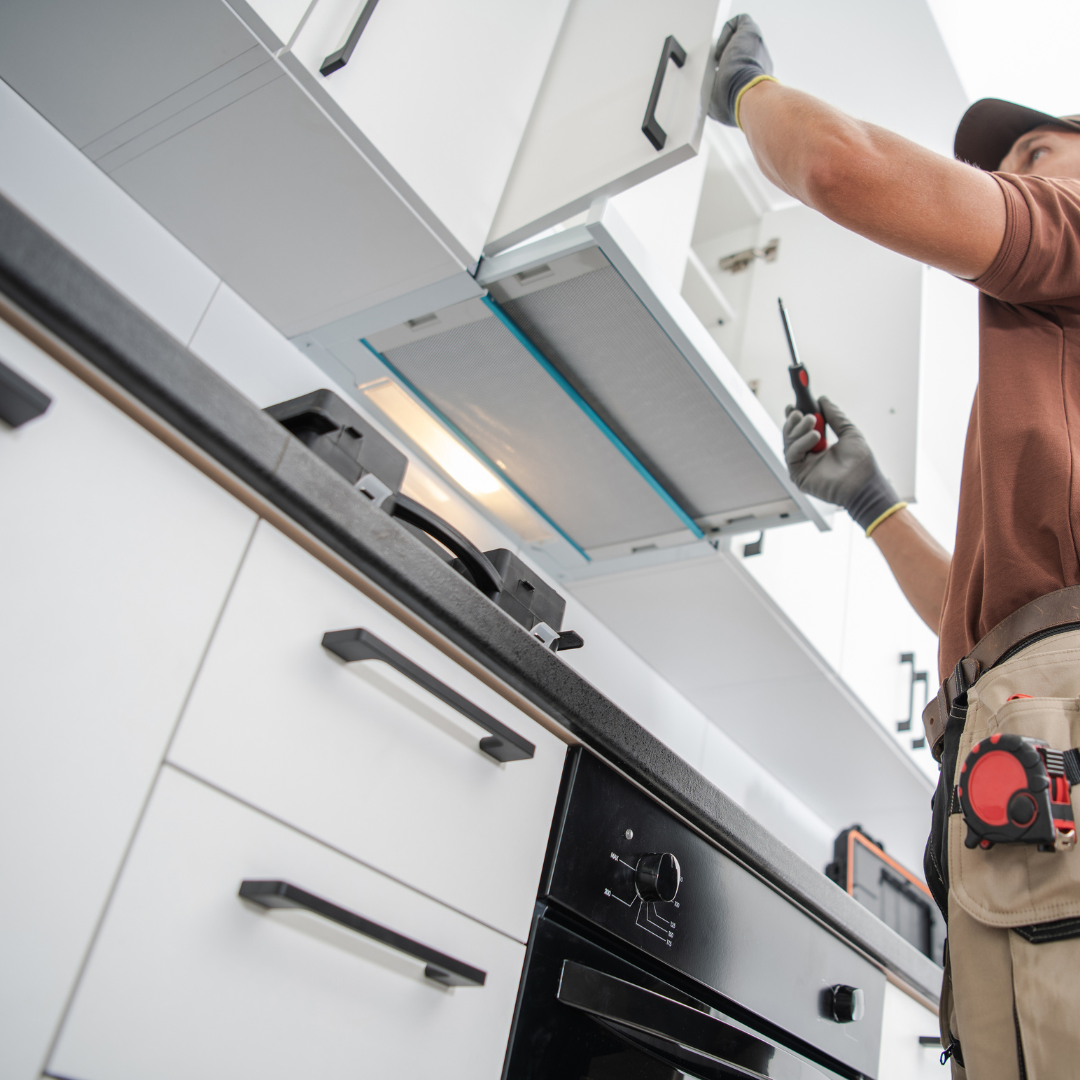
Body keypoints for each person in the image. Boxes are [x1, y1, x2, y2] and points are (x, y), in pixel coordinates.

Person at [711, 15, 1080, 1079]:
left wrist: (746, 96)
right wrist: (871, 501)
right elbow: (990, 623)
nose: (1013, 177)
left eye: (1034, 153)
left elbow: (835, 165)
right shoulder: (1044, 368)